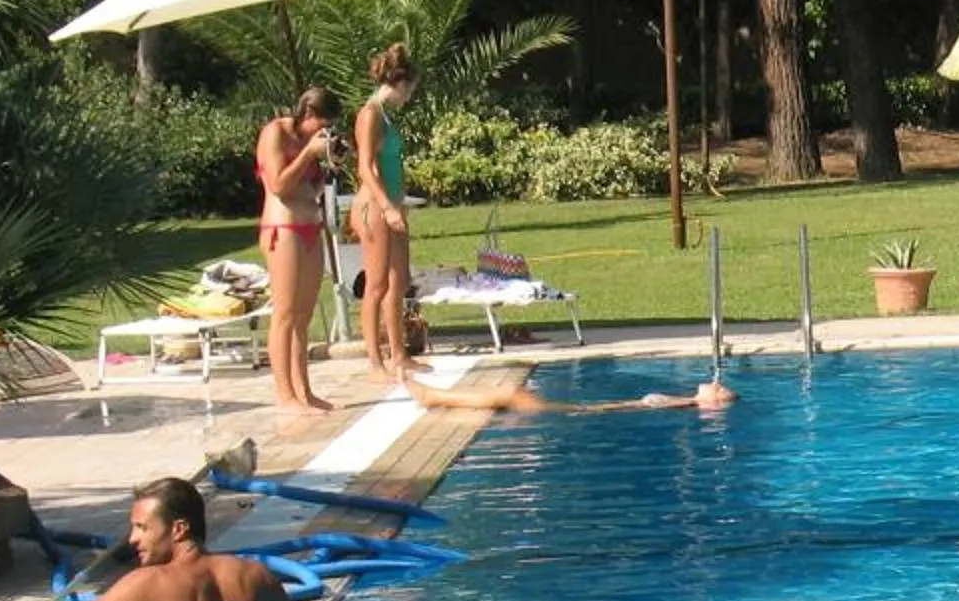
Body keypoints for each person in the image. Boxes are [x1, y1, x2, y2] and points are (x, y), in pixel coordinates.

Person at [5, 476, 320, 601]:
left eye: (142, 528)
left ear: (179, 529)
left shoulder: (149, 583)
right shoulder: (254, 575)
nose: (132, 539)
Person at [254, 86, 344, 412]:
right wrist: (308, 154)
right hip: (283, 227)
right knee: (286, 314)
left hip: (310, 225)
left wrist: (329, 165)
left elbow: (311, 188)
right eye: (321, 124)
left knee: (303, 317)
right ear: (307, 113)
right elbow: (279, 185)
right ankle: (285, 394)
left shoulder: (312, 142)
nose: (323, 132)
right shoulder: (274, 133)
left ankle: (304, 390)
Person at [353, 44, 419, 384]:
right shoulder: (371, 114)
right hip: (374, 207)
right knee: (376, 285)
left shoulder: (387, 115)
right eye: (411, 89)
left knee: (399, 281)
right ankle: (375, 361)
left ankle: (399, 355)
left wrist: (399, 203)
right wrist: (388, 207)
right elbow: (365, 167)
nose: (411, 96)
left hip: (392, 205)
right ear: (401, 83)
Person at [411, 374, 736, 418]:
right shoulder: (683, 399)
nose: (715, 382)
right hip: (583, 409)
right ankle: (437, 396)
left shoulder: (686, 403)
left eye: (720, 389)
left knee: (510, 393)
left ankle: (435, 397)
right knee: (508, 395)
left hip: (582, 409)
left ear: (713, 404)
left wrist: (694, 400)